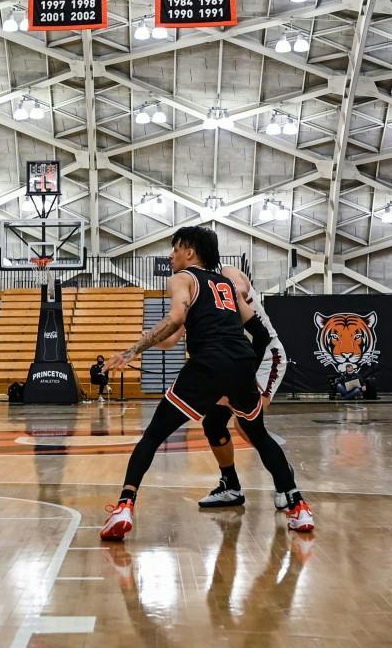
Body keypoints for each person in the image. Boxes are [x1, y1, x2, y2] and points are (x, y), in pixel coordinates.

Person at [100, 226, 314, 540]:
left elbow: (175, 318)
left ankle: (124, 506)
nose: (171, 256)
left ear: (189, 251)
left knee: (153, 435)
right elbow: (260, 334)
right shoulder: (226, 286)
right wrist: (243, 374)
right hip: (241, 365)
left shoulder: (183, 278)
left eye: (175, 249)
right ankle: (299, 506)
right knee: (257, 434)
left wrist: (131, 351)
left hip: (207, 365)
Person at [197, 271, 287, 508]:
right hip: (238, 358)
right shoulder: (198, 284)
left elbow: (241, 289)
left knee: (248, 424)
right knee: (213, 423)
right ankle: (231, 486)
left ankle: (284, 481)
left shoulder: (225, 271)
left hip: (265, 355)